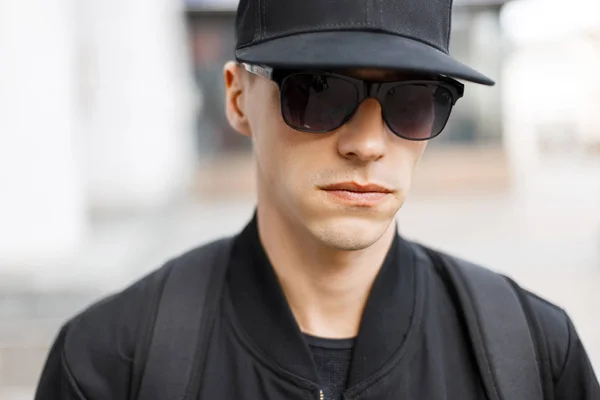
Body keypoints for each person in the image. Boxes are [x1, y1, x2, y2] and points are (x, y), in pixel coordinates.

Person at [35, 0, 600, 399]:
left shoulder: (531, 352)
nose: (368, 143)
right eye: (319, 92)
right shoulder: (112, 361)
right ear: (237, 98)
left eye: (413, 101)